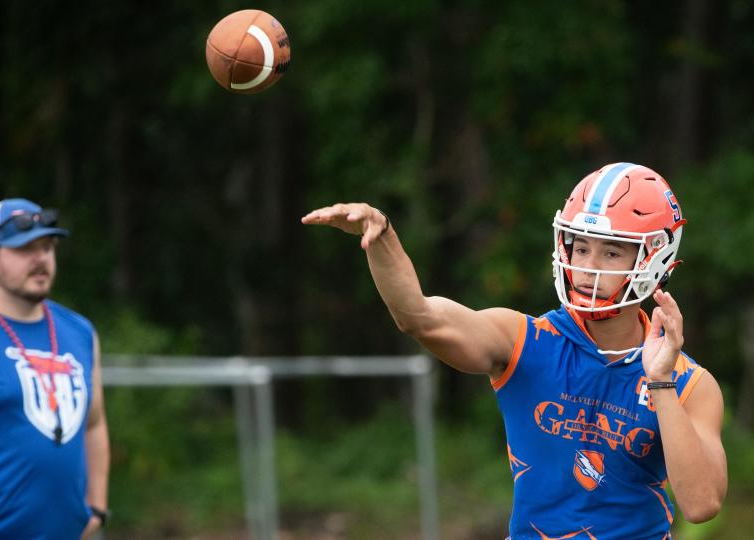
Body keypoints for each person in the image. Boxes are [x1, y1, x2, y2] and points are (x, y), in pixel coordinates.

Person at [303, 162, 727, 539]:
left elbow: (702, 504)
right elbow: (419, 317)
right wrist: (383, 238)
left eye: (611, 251)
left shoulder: (690, 383)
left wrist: (660, 381)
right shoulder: (524, 339)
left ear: (655, 259)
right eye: (581, 247)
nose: (587, 265)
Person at [0, 198, 110, 539]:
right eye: (24, 249)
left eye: (47, 247)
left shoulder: (80, 332)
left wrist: (98, 507)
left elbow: (94, 423)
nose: (40, 259)